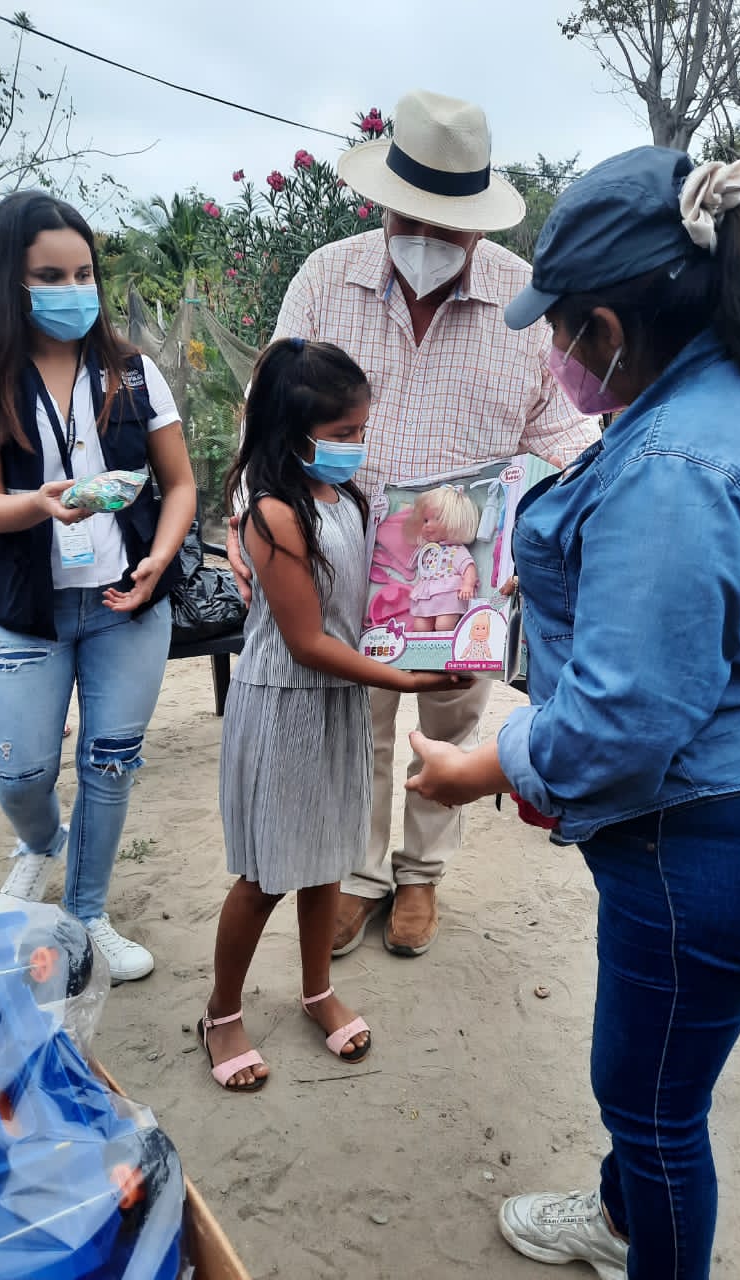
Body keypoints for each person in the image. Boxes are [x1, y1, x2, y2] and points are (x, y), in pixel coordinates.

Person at [406, 146, 740, 1280]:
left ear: (607, 327)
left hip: (712, 831)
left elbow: (623, 720)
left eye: (561, 330)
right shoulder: (729, 401)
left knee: (653, 1109)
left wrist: (482, 763)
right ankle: (620, 1219)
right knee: (666, 1074)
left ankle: (639, 1230)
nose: (556, 354)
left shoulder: (674, 461)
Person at [229, 89, 596, 959]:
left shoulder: (522, 303)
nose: (426, 240)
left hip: (467, 570)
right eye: (411, 220)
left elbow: (571, 441)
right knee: (353, 720)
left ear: (479, 221)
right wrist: (249, 519)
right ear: (383, 204)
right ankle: (357, 874)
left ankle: (422, 873)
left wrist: (530, 541)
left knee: (450, 719)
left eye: (449, 228)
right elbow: (266, 408)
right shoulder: (327, 278)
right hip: (337, 548)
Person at [201, 338, 467, 1091]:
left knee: (328, 862)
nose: (357, 445)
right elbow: (308, 642)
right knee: (265, 876)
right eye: (343, 433)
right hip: (285, 707)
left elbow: (375, 600)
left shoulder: (343, 499)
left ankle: (316, 990)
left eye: (361, 430)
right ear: (292, 430)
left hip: (337, 704)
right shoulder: (274, 514)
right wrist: (404, 679)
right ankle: (221, 1012)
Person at [0, 191, 196, 983]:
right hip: (26, 608)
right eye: (51, 276)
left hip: (127, 604)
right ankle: (40, 839)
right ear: (9, 282)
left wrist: (160, 555)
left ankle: (87, 913)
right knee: (20, 773)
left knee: (110, 764)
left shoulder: (133, 373)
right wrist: (40, 504)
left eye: (84, 273)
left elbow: (180, 485)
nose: (74, 289)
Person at [404, 485, 480, 632]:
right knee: (420, 626)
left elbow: (468, 567)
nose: (427, 525)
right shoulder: (428, 550)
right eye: (425, 520)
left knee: (443, 625)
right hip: (427, 595)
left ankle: (446, 643)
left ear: (455, 521)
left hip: (448, 596)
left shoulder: (456, 550)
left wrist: (468, 585)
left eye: (436, 518)